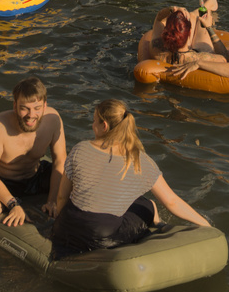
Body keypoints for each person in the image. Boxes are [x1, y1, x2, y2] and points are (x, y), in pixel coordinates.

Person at [45, 98, 210, 258]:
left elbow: (62, 196)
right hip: (101, 237)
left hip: (66, 227)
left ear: (104, 126)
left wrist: (60, 226)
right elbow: (171, 202)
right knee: (148, 205)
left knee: (137, 202)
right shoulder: (139, 160)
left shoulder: (80, 149)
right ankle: (158, 227)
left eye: (94, 121)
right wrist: (206, 226)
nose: (92, 125)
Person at [0, 76, 66, 235]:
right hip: (3, 182)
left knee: (80, 180)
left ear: (45, 106)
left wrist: (53, 200)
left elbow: (60, 160)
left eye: (37, 108)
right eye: (25, 108)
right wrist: (13, 204)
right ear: (15, 106)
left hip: (35, 176)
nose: (31, 115)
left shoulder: (53, 120)